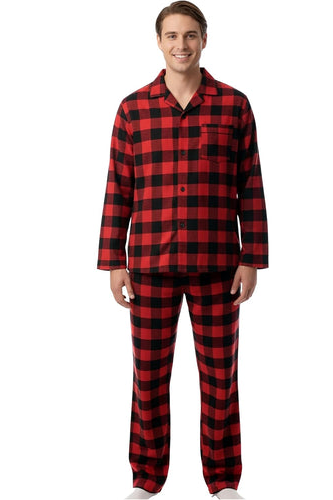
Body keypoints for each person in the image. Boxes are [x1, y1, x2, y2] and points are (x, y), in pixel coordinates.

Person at [97, 2, 268, 498]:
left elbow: (250, 184)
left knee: (220, 377)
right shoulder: (132, 109)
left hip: (219, 265)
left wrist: (251, 257)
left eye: (190, 35)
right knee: (148, 376)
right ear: (158, 42)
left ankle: (224, 481)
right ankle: (147, 479)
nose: (181, 45)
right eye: (171, 36)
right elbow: (118, 188)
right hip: (149, 265)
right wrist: (113, 261)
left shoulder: (234, 105)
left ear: (204, 40)